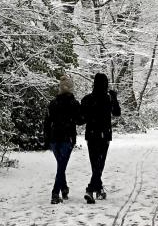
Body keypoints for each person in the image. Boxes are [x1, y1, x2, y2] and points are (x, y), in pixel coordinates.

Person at [79, 72, 121, 203]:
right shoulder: (108, 99)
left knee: (95, 163)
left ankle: (98, 189)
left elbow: (81, 119)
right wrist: (114, 98)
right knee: (99, 163)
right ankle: (91, 189)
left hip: (91, 135)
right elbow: (117, 113)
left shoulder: (87, 99)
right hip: (104, 134)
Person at [43, 74, 83, 204]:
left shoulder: (53, 104)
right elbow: (79, 121)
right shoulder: (74, 104)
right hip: (68, 138)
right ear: (71, 88)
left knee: (61, 164)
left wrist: (47, 138)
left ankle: (64, 188)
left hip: (55, 138)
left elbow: (47, 122)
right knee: (62, 166)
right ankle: (55, 193)